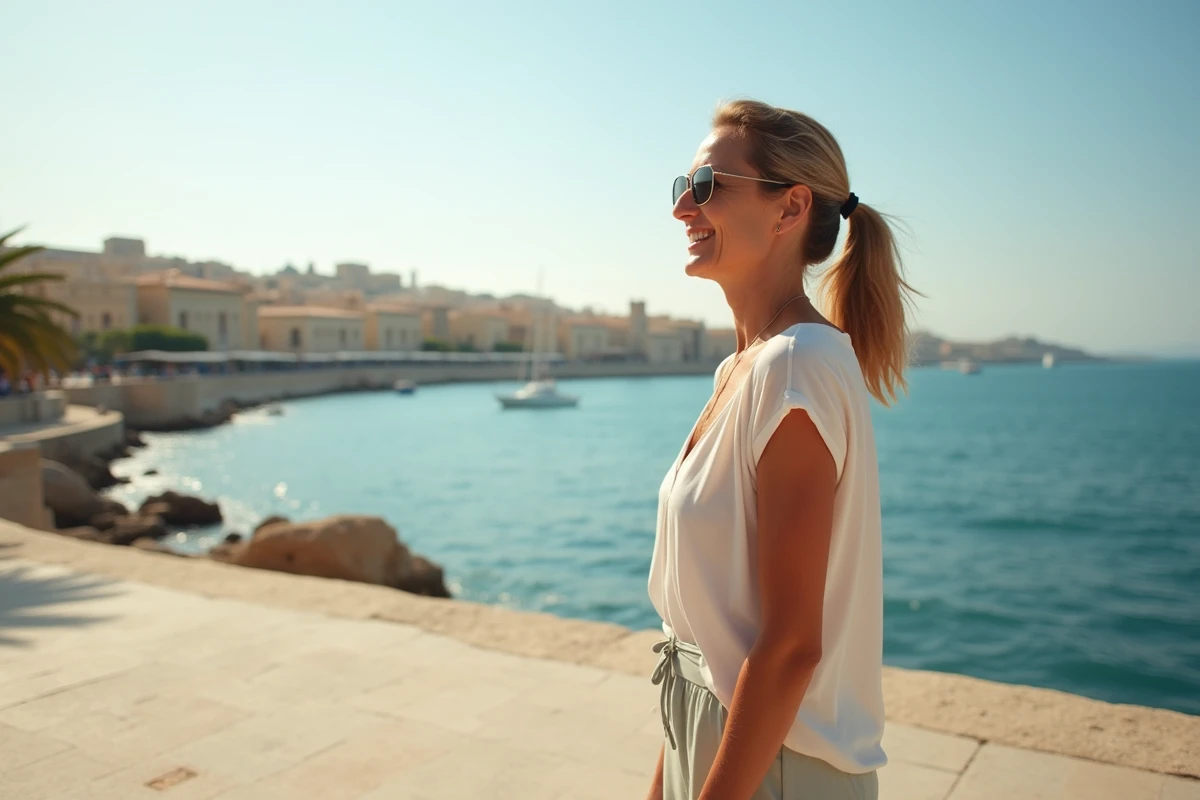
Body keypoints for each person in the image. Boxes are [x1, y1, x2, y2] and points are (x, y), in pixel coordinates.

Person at [646, 99, 914, 800]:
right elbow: (704, 636)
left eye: (706, 187)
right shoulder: (747, 366)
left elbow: (792, 646)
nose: (683, 210)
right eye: (682, 188)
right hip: (713, 734)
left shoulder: (795, 367)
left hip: (776, 764)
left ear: (789, 209)